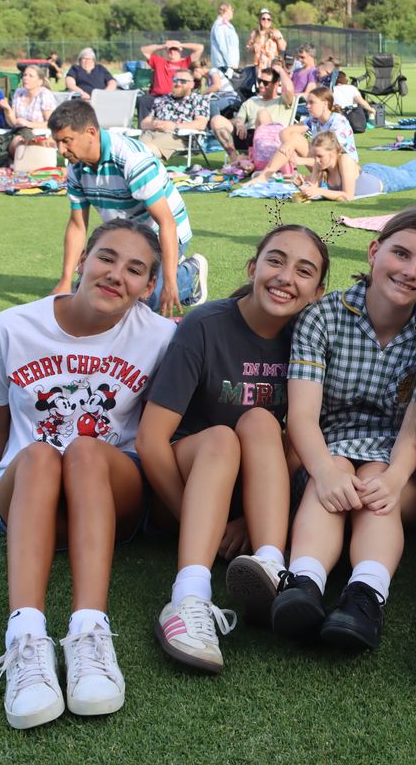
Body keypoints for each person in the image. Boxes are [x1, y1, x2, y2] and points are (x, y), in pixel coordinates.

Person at [0, 220, 177, 730]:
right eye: (106, 258)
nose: (115, 275)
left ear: (149, 287)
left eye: (135, 269)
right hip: (27, 496)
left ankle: (90, 633)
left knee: (84, 449)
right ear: (81, 260)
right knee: (38, 454)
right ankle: (26, 638)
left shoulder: (163, 337)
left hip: (109, 495)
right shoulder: (9, 328)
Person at [138, 226, 330, 673]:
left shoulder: (309, 337)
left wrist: (247, 519)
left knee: (262, 420)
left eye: (304, 271)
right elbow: (151, 440)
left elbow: (303, 438)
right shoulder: (205, 325)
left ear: (318, 292)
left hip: (253, 494)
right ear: (252, 267)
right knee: (223, 437)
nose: (286, 277)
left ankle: (270, 566)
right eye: (275, 261)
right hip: (186, 482)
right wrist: (199, 520)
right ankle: (187, 598)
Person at [271, 209, 416, 652]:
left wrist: (395, 477)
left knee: (373, 482)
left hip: (396, 460)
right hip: (326, 448)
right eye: (400, 254)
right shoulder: (322, 317)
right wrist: (325, 470)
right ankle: (304, 583)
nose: (410, 271)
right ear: (373, 252)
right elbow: (303, 417)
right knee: (332, 472)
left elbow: (415, 425)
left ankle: (365, 597)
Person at [49, 99, 206, 317]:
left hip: (163, 234)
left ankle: (189, 274)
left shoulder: (131, 159)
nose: (61, 150)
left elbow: (167, 223)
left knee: (143, 300)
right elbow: (77, 225)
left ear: (91, 132)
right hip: (124, 236)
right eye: (57, 142)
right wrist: (66, 281)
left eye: (66, 141)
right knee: (88, 297)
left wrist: (170, 283)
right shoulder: (76, 167)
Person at [294, 131, 416, 201]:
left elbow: (348, 196)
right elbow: (312, 192)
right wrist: (304, 186)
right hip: (371, 172)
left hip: (384, 180)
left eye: (320, 156)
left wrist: (319, 190)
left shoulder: (344, 159)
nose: (316, 160)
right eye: (314, 155)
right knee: (403, 171)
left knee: (410, 177)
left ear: (333, 152)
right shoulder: (320, 164)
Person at [251, 85, 357, 181]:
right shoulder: (314, 120)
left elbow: (333, 157)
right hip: (322, 164)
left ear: (325, 104)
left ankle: (272, 175)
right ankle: (266, 175)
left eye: (312, 102)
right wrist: (288, 144)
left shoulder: (338, 122)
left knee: (298, 140)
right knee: (294, 138)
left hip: (341, 169)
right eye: (307, 103)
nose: (307, 106)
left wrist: (301, 160)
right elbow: (285, 132)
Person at [0, 65, 56, 166]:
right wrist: (7, 109)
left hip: (36, 135)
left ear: (40, 82)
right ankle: (9, 163)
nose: (26, 78)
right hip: (16, 131)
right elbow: (13, 123)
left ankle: (6, 162)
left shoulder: (44, 94)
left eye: (30, 76)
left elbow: (51, 123)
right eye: (25, 75)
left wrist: (28, 124)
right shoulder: (19, 92)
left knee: (17, 141)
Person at [211, 66, 292, 157]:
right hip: (247, 136)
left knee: (262, 114)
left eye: (265, 83)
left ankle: (258, 158)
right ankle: (235, 160)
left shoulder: (283, 101)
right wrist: (240, 124)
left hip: (271, 140)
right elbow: (239, 118)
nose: (261, 85)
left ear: (276, 84)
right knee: (216, 120)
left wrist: (281, 71)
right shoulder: (251, 101)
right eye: (259, 81)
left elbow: (289, 90)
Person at [138, 68, 211, 162]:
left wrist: (174, 126)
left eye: (183, 81)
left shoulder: (199, 100)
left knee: (143, 152)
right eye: (175, 80)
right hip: (151, 133)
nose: (178, 83)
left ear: (192, 84)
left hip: (178, 136)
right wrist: (153, 124)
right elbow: (144, 123)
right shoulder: (161, 99)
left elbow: (201, 124)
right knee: (135, 151)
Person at [140, 40, 204, 98]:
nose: (172, 51)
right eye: (170, 49)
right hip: (158, 96)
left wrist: (180, 45)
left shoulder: (186, 62)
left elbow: (200, 48)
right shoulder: (159, 62)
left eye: (175, 49)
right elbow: (144, 50)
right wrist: (163, 46)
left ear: (180, 51)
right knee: (142, 100)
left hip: (179, 97)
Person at [247, 8, 285, 77]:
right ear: (260, 20)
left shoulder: (275, 32)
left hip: (272, 66)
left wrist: (278, 38)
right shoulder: (255, 33)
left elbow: (283, 48)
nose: (266, 21)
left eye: (268, 19)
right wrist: (254, 47)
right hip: (259, 67)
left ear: (271, 21)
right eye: (263, 19)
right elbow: (248, 49)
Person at [209, 2, 240, 75]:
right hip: (224, 66)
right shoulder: (220, 25)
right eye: (231, 9)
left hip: (227, 66)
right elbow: (223, 46)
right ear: (226, 10)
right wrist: (230, 64)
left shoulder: (226, 25)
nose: (232, 12)